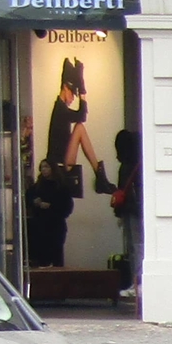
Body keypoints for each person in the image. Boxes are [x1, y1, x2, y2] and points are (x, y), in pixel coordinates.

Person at [45, 57, 109, 195]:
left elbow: (81, 115)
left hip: (61, 160)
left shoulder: (60, 108)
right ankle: (99, 173)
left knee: (79, 127)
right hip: (60, 164)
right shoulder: (60, 109)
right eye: (72, 93)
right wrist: (83, 93)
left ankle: (99, 173)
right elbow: (82, 116)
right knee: (79, 127)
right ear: (64, 87)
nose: (73, 97)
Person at [110, 129, 142, 298]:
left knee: (135, 246)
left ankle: (137, 281)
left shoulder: (125, 166)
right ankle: (138, 281)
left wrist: (119, 213)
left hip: (130, 210)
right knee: (137, 246)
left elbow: (123, 189)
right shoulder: (139, 163)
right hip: (137, 209)